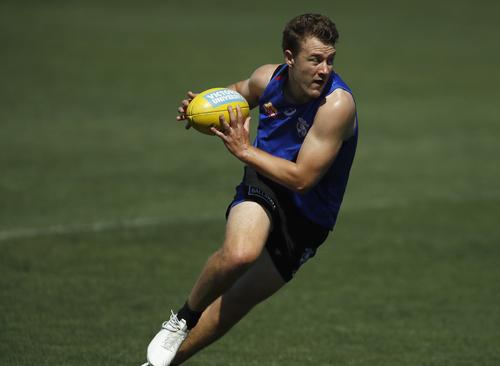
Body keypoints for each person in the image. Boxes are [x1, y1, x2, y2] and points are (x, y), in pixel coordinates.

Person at [142, 13, 358, 366]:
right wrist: (200, 109)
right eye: (315, 59)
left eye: (330, 60)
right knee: (240, 253)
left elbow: (303, 178)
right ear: (290, 57)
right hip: (267, 181)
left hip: (308, 217)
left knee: (235, 304)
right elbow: (237, 94)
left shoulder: (336, 106)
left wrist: (244, 150)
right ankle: (181, 318)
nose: (325, 69)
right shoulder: (267, 79)